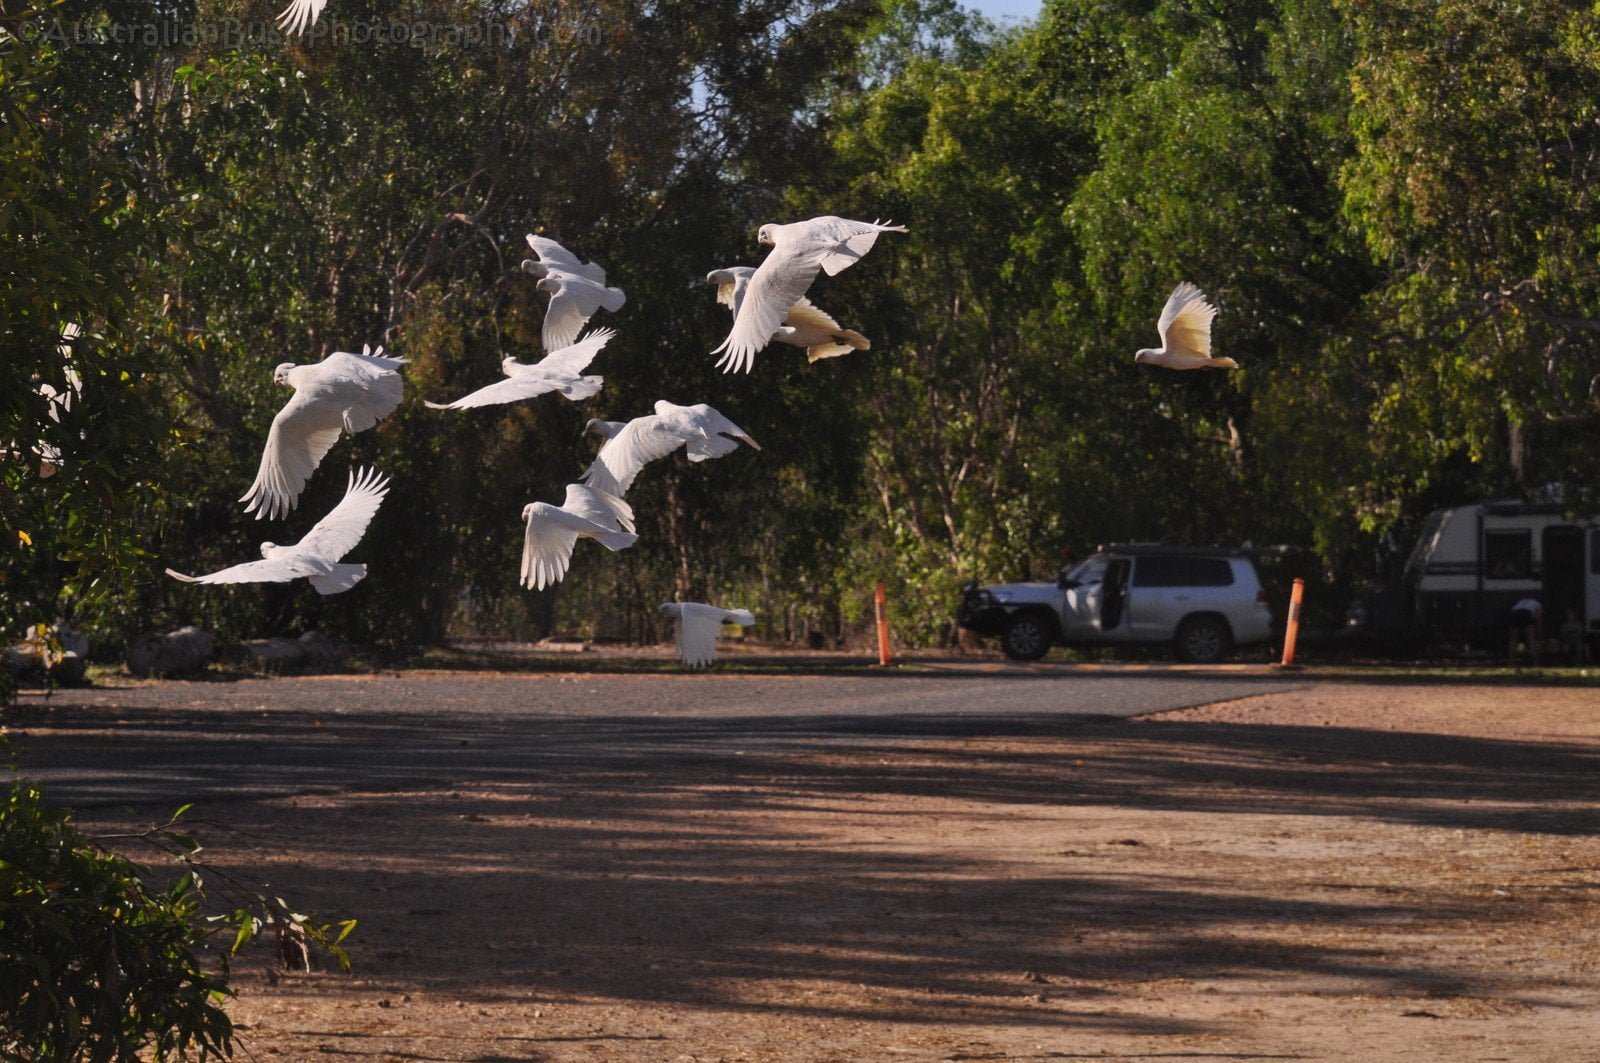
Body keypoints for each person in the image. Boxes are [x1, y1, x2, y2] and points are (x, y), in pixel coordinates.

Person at [1508, 596, 1542, 666]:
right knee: (1531, 639)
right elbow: (1538, 619)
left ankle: (1511, 662)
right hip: (1526, 613)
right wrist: (1538, 632)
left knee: (1514, 639)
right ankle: (1536, 662)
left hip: (1513, 613)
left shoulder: (1521, 602)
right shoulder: (1538, 604)